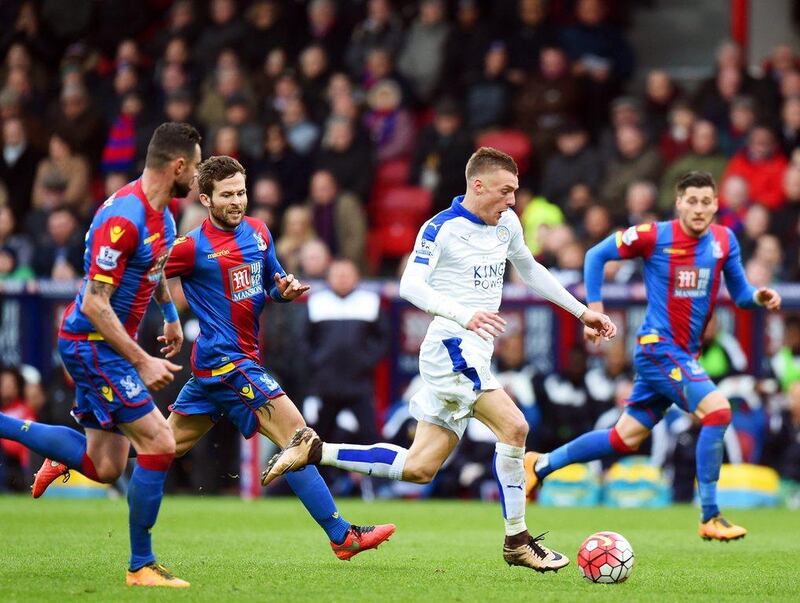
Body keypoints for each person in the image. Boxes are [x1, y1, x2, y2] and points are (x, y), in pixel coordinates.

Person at [262, 147, 616, 572]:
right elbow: (410, 284)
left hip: (471, 352)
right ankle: (518, 540)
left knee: (419, 467)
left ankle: (315, 449)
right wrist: (465, 314)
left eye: (515, 192)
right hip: (452, 347)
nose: (512, 201)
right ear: (478, 185)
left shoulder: (507, 223)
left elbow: (531, 268)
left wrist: (581, 311)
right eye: (505, 191)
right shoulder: (440, 229)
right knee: (515, 426)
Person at [525, 171, 782, 541]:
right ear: (679, 203)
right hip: (658, 348)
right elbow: (597, 255)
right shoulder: (654, 236)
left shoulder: (724, 241)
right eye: (691, 201)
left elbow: (740, 293)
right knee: (720, 411)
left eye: (706, 202)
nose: (698, 209)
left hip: (679, 355)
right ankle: (710, 515)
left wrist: (759, 296)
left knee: (623, 439)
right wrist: (593, 309)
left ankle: (541, 464)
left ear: (715, 205)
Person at [0, 122, 202, 587]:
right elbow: (94, 301)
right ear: (176, 165)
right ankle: (141, 566)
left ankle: (59, 453)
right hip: (92, 345)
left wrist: (170, 316)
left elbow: (152, 273)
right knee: (160, 443)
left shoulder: (163, 216)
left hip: (105, 347)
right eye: (193, 166)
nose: (196, 176)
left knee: (105, 466)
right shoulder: (124, 219)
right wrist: (141, 360)